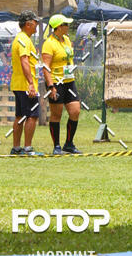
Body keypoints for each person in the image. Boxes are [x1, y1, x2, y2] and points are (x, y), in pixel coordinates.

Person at [42, 15, 81, 155]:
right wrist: (51, 86)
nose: (68, 26)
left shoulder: (66, 40)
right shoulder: (49, 43)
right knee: (56, 114)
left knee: (75, 111)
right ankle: (56, 146)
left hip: (69, 81)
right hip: (56, 83)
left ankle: (69, 144)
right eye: (66, 24)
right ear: (58, 27)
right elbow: (45, 67)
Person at [10, 10, 41, 156]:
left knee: (20, 116)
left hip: (19, 83)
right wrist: (30, 83)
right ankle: (27, 147)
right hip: (25, 84)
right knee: (32, 116)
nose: (37, 25)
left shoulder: (22, 38)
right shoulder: (23, 39)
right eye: (35, 22)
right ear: (28, 24)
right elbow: (24, 60)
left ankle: (16, 148)